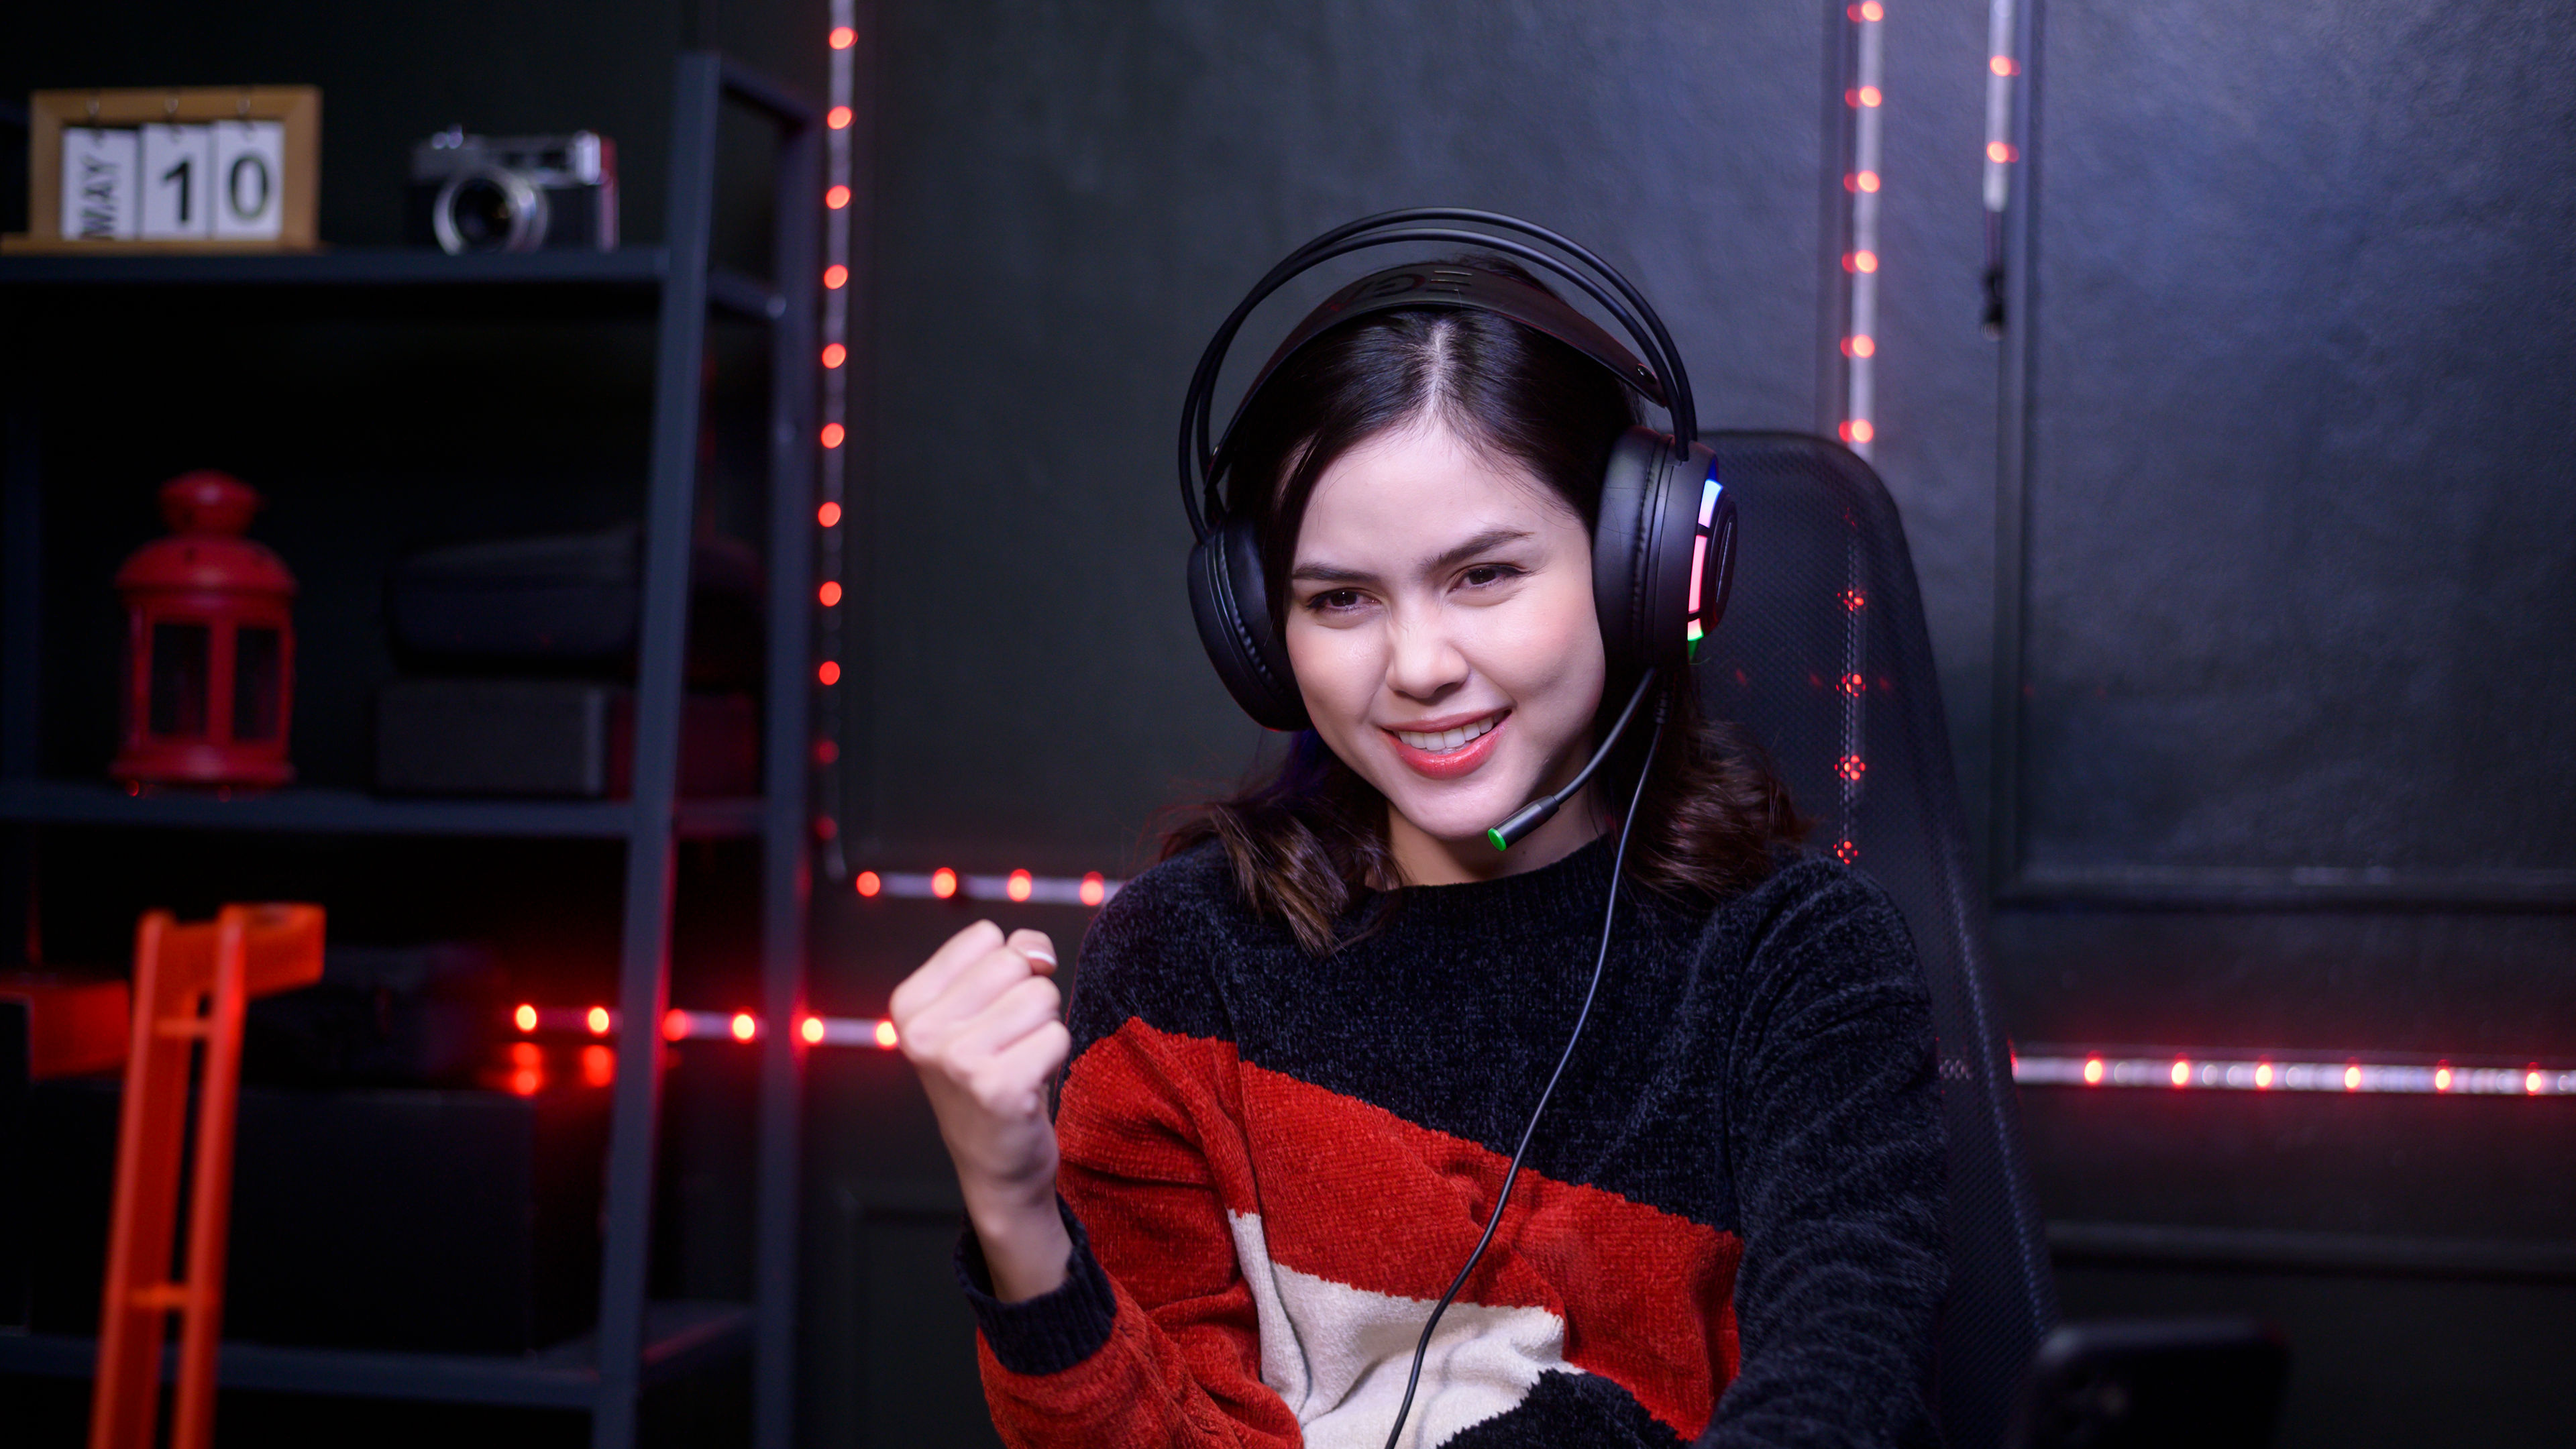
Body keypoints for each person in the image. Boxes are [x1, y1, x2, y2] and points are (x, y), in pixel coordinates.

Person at [891, 247, 1947, 1448]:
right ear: (1259, 631)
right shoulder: (1180, 965)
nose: (1420, 666)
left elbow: (1837, 1395)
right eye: (1340, 599)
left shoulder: (1799, 960)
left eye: (1485, 575)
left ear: (1643, 568)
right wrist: (1015, 1207)